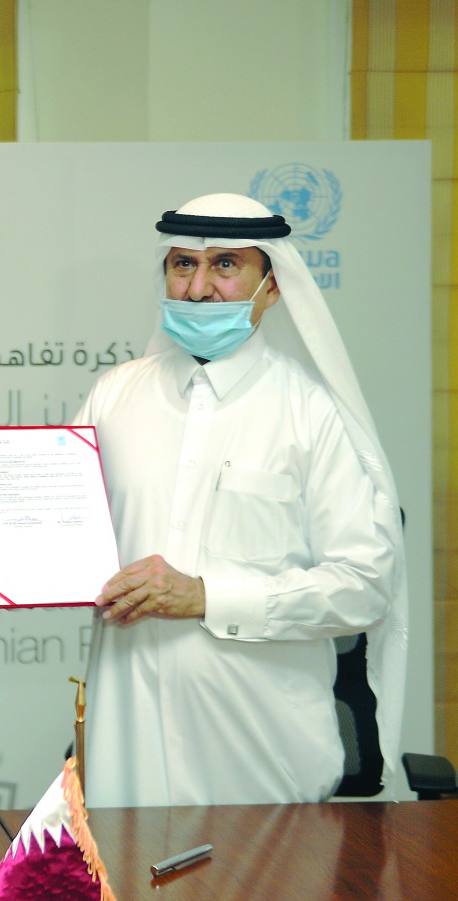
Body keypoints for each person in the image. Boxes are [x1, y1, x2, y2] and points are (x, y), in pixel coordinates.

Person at [72, 193, 408, 807]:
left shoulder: (312, 412)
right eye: (182, 265)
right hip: (126, 763)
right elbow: (59, 547)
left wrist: (207, 595)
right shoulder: (112, 397)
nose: (198, 288)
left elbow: (364, 585)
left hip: (263, 767)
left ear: (273, 287)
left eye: (225, 265)